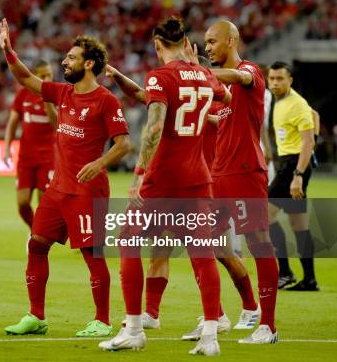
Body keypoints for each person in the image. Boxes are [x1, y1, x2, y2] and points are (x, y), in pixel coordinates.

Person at [99, 16, 230, 356]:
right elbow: (227, 96)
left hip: (162, 179)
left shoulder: (160, 77)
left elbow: (155, 127)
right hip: (199, 179)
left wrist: (140, 171)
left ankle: (134, 329)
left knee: (128, 242)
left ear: (158, 45)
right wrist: (206, 113)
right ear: (186, 44)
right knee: (203, 255)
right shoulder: (204, 74)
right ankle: (211, 338)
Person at [106, 57, 258, 337]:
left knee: (216, 251)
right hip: (185, 184)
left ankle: (243, 309)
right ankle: (152, 313)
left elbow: (228, 122)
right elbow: (142, 94)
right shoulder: (191, 99)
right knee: (162, 246)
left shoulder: (221, 106)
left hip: (206, 185)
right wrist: (117, 75)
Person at [0, 19, 131, 337]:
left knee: (91, 254)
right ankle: (36, 316)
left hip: (88, 191)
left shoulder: (106, 100)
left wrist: (100, 163)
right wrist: (8, 51)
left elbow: (125, 144)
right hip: (57, 189)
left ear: (88, 64)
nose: (63, 62)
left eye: (70, 58)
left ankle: (101, 320)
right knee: (36, 245)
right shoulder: (62, 92)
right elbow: (25, 78)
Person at [200, 20, 279, 345]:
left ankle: (268, 327)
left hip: (246, 173)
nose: (207, 48)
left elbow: (239, 77)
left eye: (212, 41)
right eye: (204, 43)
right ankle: (224, 314)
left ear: (231, 40)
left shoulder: (250, 71)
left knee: (259, 244)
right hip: (218, 175)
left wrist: (195, 71)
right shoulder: (218, 90)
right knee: (207, 245)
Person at [267, 61, 319, 291]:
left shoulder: (297, 104)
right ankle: (309, 280)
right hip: (289, 164)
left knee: (264, 214)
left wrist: (298, 174)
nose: (275, 83)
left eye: (280, 78)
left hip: (294, 165)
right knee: (299, 224)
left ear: (290, 80)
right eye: (272, 79)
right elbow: (314, 114)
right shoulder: (282, 100)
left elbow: (309, 141)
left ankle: (285, 272)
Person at [3, 60, 57, 231]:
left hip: (48, 157)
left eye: (49, 74)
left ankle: (39, 238)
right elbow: (12, 122)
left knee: (44, 203)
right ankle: (35, 231)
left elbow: (57, 124)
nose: (47, 78)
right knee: (23, 202)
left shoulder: (57, 94)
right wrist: (6, 149)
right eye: (43, 75)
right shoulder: (23, 94)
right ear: (34, 76)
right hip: (26, 157)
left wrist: (47, 99)